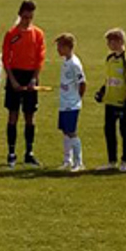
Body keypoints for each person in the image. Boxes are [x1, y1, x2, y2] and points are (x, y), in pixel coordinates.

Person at [2, 0, 46, 168]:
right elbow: (6, 59)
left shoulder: (38, 34)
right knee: (13, 114)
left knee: (30, 115)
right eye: (25, 17)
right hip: (15, 74)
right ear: (20, 15)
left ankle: (29, 152)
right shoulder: (11, 34)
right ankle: (11, 152)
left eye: (30, 17)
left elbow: (40, 59)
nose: (27, 20)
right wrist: (12, 80)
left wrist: (34, 78)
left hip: (30, 76)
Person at [99, 28, 126, 172]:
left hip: (122, 102)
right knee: (109, 131)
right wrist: (103, 91)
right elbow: (109, 78)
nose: (109, 45)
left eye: (111, 41)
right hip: (110, 101)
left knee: (124, 131)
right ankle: (112, 160)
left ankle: (125, 160)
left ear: (120, 41)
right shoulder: (110, 58)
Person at [56, 33, 86, 171]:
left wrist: (77, 98)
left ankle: (79, 162)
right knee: (65, 131)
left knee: (71, 132)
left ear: (68, 47)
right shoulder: (65, 62)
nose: (58, 49)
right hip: (64, 103)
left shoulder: (75, 64)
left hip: (71, 104)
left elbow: (82, 83)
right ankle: (67, 160)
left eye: (60, 46)